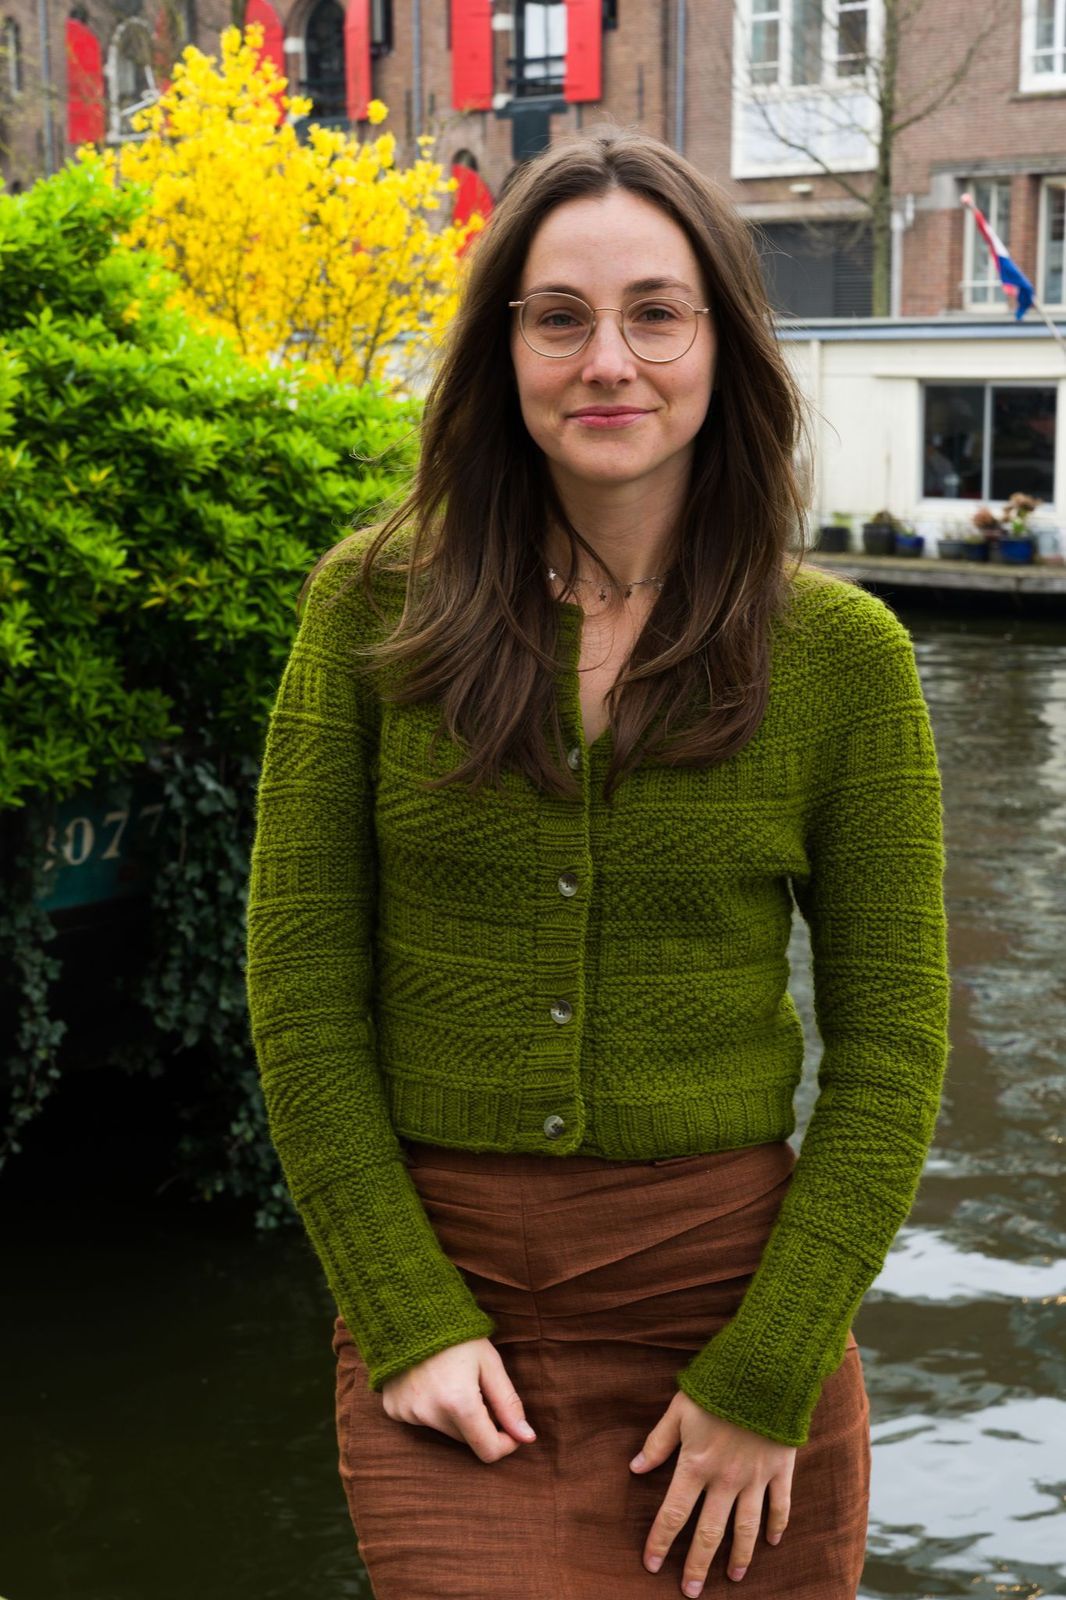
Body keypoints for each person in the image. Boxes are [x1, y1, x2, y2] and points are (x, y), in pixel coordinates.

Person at [244, 126, 950, 1599]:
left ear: (721, 344)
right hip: (453, 1329)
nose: (607, 362)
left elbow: (892, 1050)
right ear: (503, 349)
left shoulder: (842, 661)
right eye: (559, 318)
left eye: (655, 314)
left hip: (737, 1317)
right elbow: (301, 991)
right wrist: (404, 1313)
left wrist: (768, 1371)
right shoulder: (370, 612)